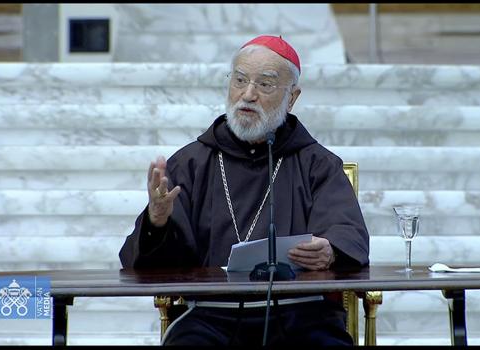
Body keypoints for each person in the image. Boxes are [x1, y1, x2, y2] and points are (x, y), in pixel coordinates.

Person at [119, 34, 369, 346]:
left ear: (292, 97)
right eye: (240, 80)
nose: (247, 94)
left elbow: (348, 232)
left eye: (265, 84)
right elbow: (148, 267)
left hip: (300, 315)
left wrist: (331, 250)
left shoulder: (318, 164)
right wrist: (157, 222)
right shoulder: (190, 164)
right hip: (210, 316)